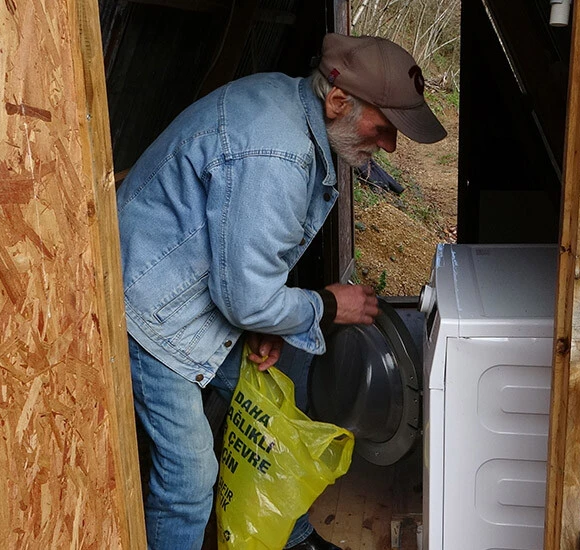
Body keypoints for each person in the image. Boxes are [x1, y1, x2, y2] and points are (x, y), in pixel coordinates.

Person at [116, 32, 447, 550]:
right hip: (151, 308)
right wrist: (327, 305)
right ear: (338, 100)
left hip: (191, 287)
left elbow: (247, 265)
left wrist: (263, 320)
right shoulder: (279, 155)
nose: (390, 146)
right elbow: (246, 297)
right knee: (187, 480)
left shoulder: (290, 106)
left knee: (268, 407)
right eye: (383, 128)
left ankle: (290, 538)